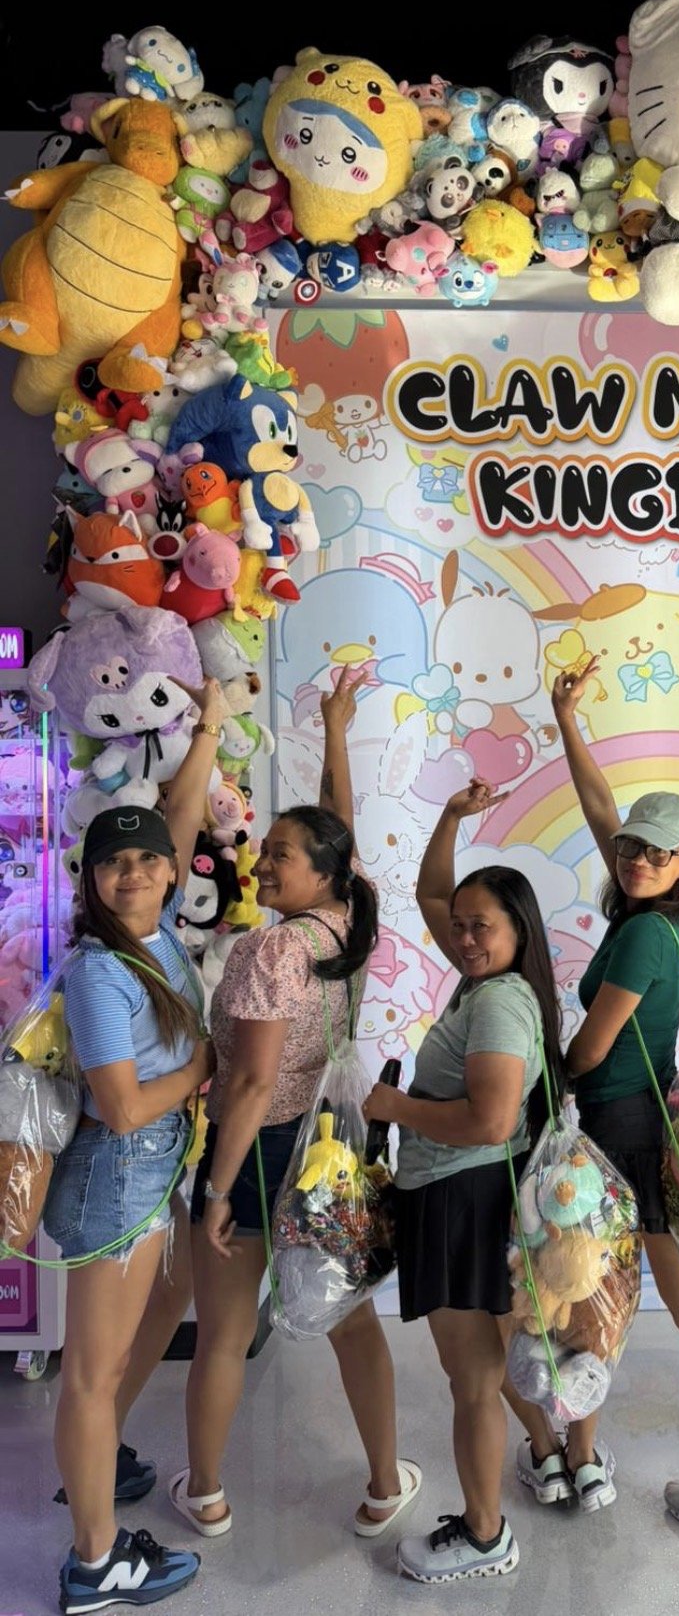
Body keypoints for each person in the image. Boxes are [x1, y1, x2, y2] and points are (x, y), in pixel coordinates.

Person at [505, 657, 679, 1553]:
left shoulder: (645, 933)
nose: (639, 858)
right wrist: (566, 720)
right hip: (631, 1125)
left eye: (659, 852)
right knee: (598, 1293)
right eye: (632, 849)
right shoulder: (646, 913)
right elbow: (600, 811)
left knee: (624, 1299)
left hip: (621, 1129)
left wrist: (539, 1067)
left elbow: (590, 1048)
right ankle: (587, 1459)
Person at [177, 667, 418, 1541]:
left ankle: (206, 1494)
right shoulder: (349, 922)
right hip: (325, 1151)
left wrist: (218, 1189)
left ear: (323, 873)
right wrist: (335, 729)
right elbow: (338, 831)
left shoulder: (269, 953)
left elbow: (247, 1082)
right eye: (266, 848)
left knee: (222, 1334)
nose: (262, 862)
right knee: (351, 1323)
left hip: (258, 1148)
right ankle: (385, 1481)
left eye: (281, 854)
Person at [45, 679, 225, 1613]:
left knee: (176, 1292)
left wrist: (212, 727)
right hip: (117, 1173)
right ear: (91, 881)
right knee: (91, 1372)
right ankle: (95, 1563)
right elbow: (118, 1108)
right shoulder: (98, 969)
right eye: (112, 866)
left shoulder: (158, 933)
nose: (132, 875)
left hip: (155, 1169)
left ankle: (98, 1458)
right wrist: (201, 1065)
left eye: (146, 862)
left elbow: (178, 820)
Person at [363, 779, 563, 1585]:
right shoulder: (484, 981)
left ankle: (484, 1535)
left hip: (460, 1195)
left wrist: (394, 1107)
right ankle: (540, 1461)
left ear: (519, 932)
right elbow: (431, 894)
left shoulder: (500, 1004)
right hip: (460, 1194)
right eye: (462, 926)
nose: (466, 936)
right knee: (483, 1368)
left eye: (483, 926)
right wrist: (450, 815)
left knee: (473, 1382)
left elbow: (489, 1119)